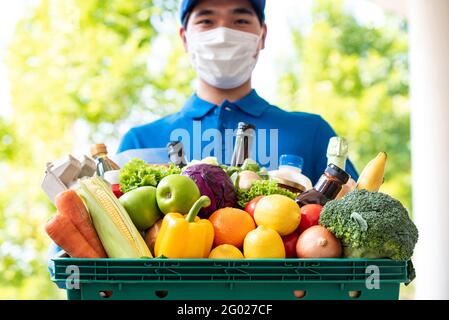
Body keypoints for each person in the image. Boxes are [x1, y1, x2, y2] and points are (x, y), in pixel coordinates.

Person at [117, 0, 359, 183]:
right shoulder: (140, 144)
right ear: (185, 38)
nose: (223, 34)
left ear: (262, 36)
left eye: (240, 21)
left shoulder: (311, 134)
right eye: (206, 21)